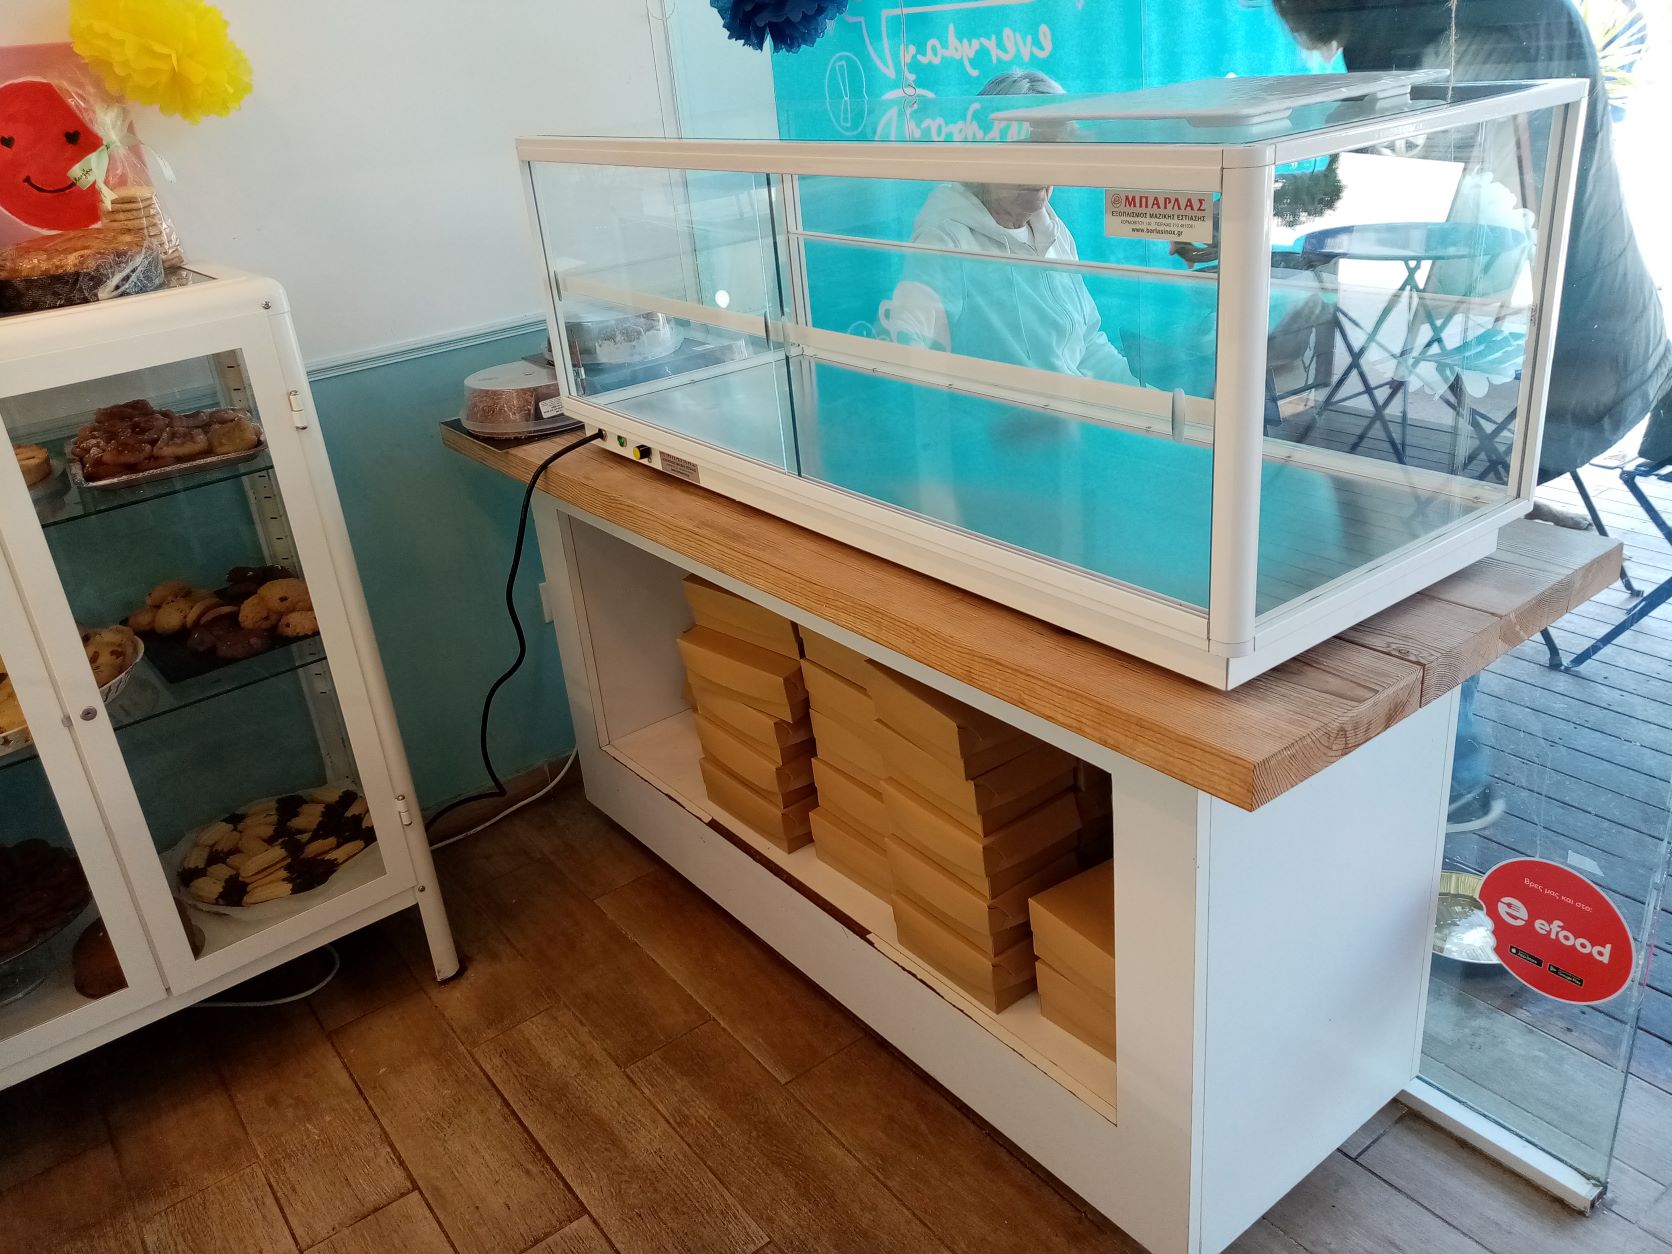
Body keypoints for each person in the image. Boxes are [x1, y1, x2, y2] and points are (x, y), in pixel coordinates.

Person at [1270, 0, 1672, 832]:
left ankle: (1445, 777)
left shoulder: (1469, 31)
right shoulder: (1428, 23)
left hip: (1558, 354)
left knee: (1411, 522)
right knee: (1383, 482)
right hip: (1551, 335)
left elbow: (1457, 228)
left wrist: (1296, 267)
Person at [880, 70, 1138, 386]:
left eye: (1053, 152)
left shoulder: (1055, 232)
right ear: (983, 153)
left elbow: (1087, 344)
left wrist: (1143, 395)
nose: (1042, 169)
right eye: (1027, 151)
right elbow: (907, 348)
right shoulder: (946, 240)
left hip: (1073, 411)